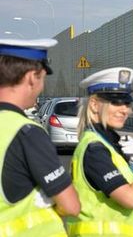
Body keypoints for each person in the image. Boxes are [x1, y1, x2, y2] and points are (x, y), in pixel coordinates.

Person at [66, 67, 133, 237]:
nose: (124, 110)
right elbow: (130, 198)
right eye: (115, 102)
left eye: (127, 102)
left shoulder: (107, 142)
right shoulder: (95, 149)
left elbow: (129, 190)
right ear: (94, 104)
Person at [0, 38, 80, 236]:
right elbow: (71, 206)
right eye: (43, 78)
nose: (42, 87)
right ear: (31, 78)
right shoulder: (27, 132)